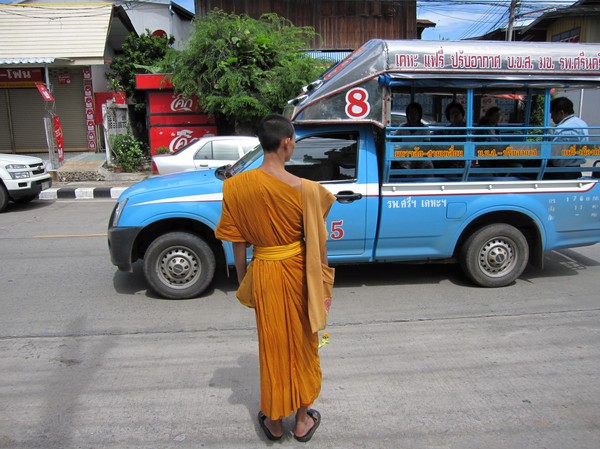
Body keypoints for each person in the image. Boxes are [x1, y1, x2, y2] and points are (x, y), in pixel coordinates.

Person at [215, 114, 336, 443]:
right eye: (294, 139)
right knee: (303, 345)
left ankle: (273, 422)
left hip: (265, 273)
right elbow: (319, 244)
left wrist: (245, 282)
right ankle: (300, 421)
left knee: (273, 348)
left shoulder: (236, 186)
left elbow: (237, 242)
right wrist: (322, 285)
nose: (294, 144)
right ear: (286, 143)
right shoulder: (308, 190)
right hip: (300, 274)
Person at [547, 96, 588, 179]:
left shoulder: (566, 129)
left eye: (552, 113)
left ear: (561, 113)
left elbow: (557, 160)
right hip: (574, 169)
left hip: (563, 172)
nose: (551, 117)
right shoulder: (581, 123)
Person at [393, 102, 433, 172]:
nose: (413, 116)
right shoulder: (402, 127)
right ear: (407, 115)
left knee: (428, 165)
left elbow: (426, 145)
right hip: (405, 155)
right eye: (411, 113)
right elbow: (394, 141)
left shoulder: (424, 128)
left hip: (420, 155)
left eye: (416, 113)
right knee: (406, 166)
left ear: (419, 115)